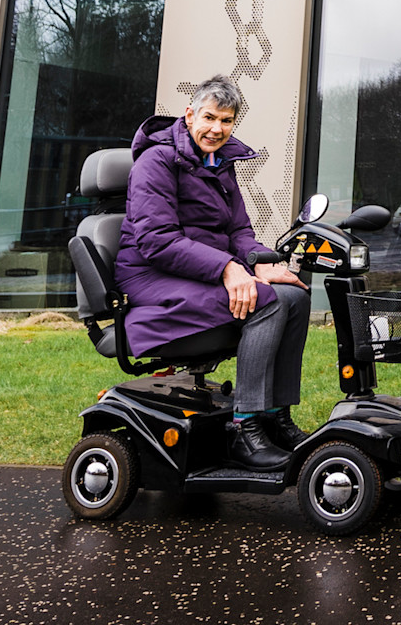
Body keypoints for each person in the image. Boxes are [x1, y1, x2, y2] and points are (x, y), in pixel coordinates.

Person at [118, 78, 309, 470]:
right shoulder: (156, 161)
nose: (216, 129)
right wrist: (227, 268)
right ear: (189, 115)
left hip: (198, 270)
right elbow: (157, 241)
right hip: (151, 274)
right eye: (209, 117)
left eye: (226, 121)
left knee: (295, 296)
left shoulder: (220, 162)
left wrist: (259, 261)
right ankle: (244, 427)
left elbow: (238, 231)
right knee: (267, 302)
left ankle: (275, 415)